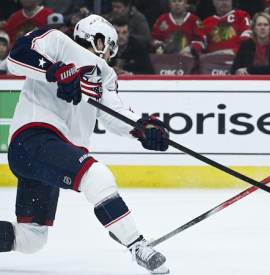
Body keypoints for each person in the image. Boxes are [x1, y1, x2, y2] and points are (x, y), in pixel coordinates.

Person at [1, 14, 169, 274]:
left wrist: (144, 128)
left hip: (48, 156)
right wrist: (53, 71)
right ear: (98, 38)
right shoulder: (57, 41)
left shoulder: (105, 74)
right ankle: (137, 246)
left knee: (31, 238)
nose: (110, 54)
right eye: (110, 46)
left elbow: (113, 111)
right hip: (34, 139)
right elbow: (17, 56)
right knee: (97, 176)